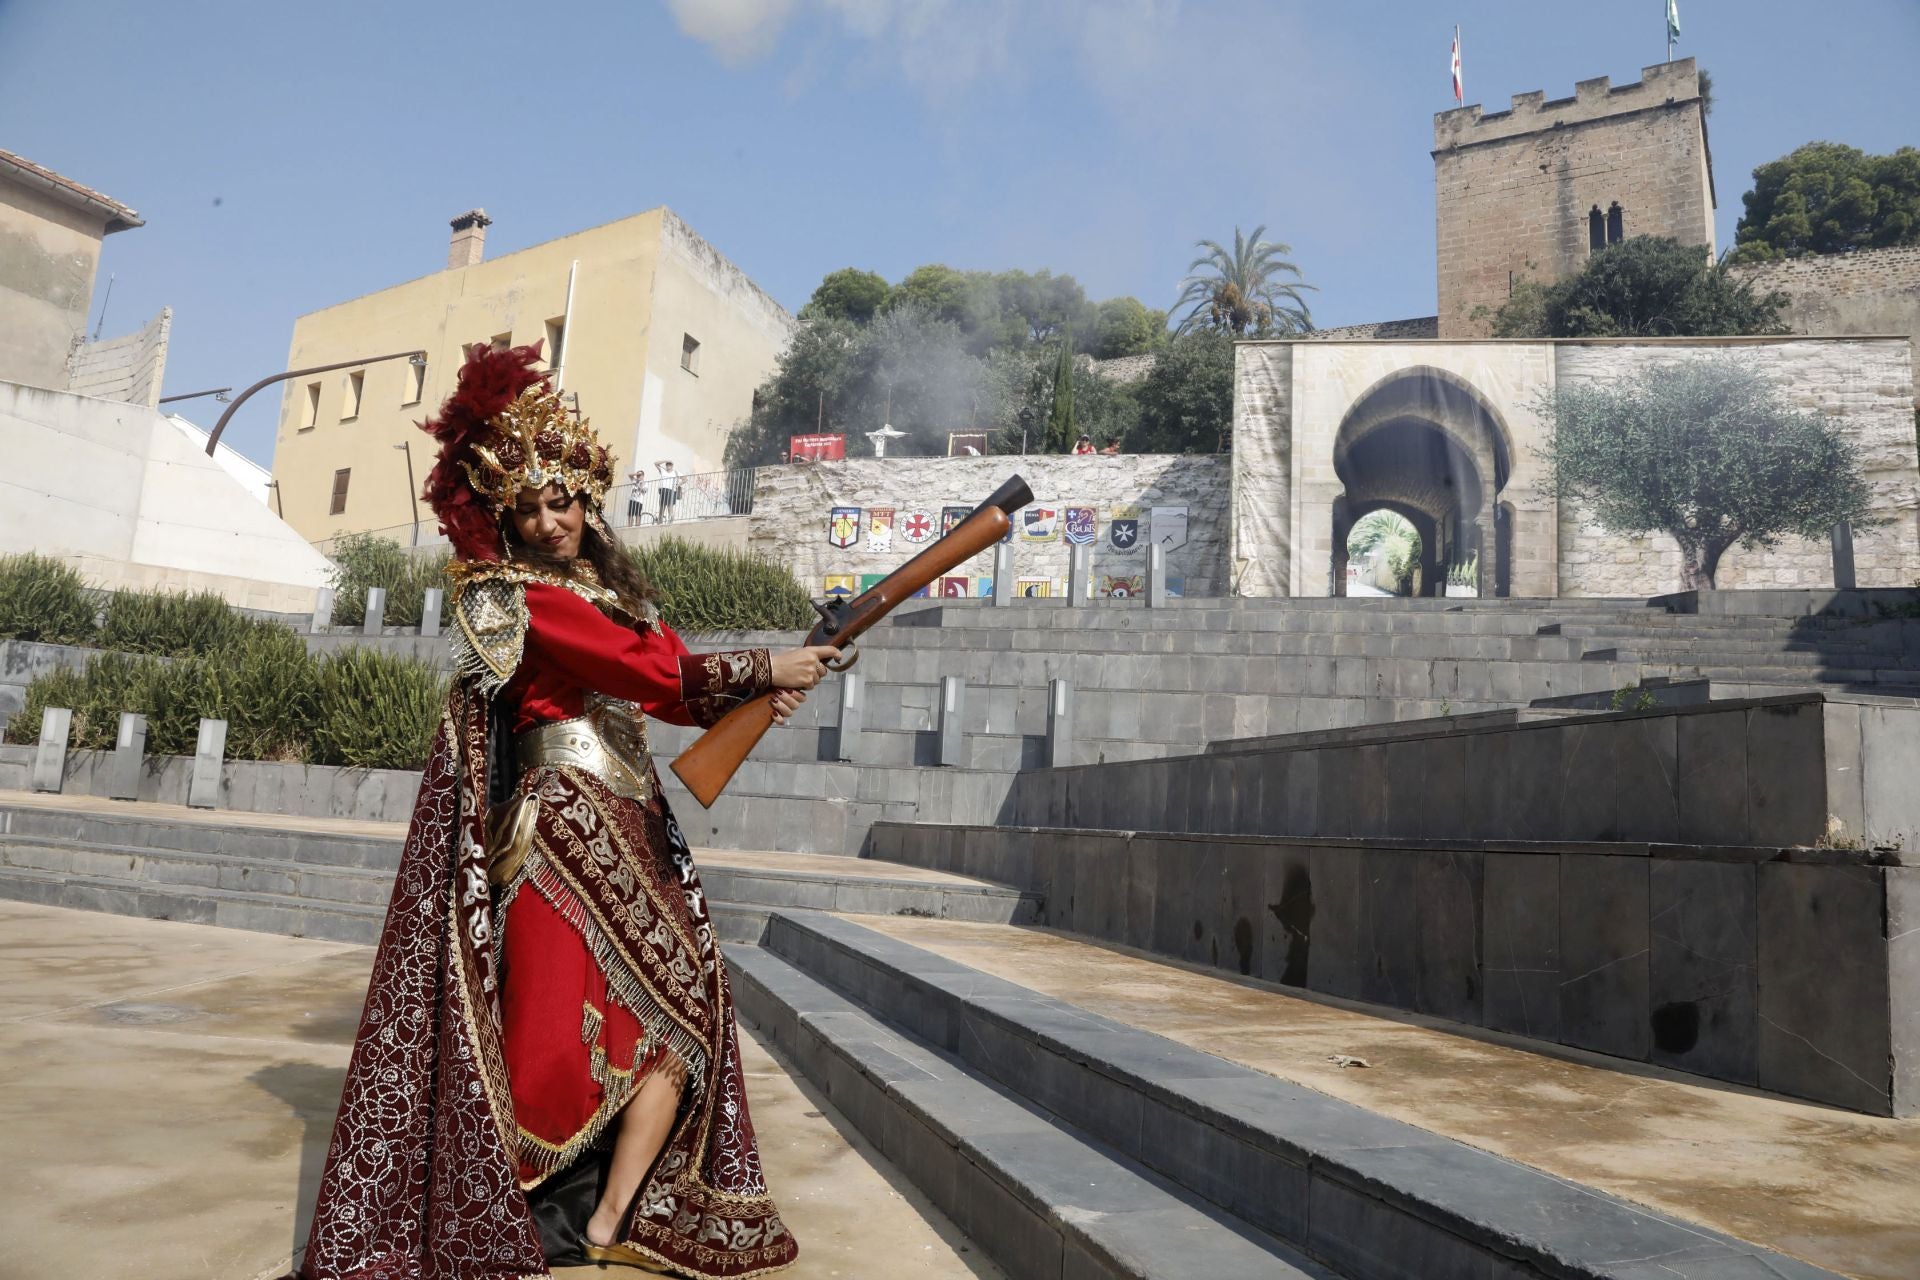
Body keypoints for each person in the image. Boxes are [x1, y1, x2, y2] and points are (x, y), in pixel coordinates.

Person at [291, 342, 824, 1280]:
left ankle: (611, 1220)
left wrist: (754, 696)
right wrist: (760, 668)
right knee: (544, 1042)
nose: (549, 522)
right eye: (528, 507)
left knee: (684, 1023)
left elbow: (668, 688)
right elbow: (642, 672)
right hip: (560, 826)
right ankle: (507, 1207)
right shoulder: (521, 594)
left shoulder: (621, 598)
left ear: (589, 498)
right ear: (506, 517)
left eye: (563, 501)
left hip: (635, 821)